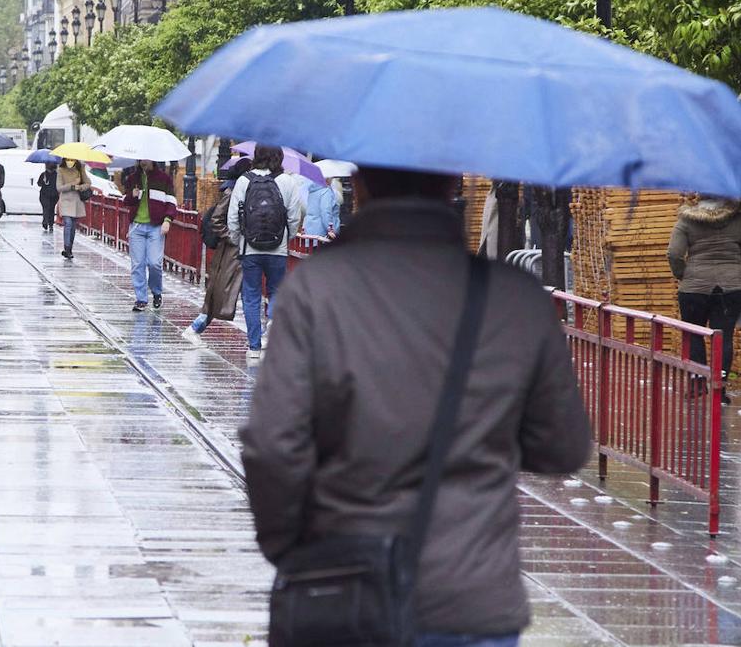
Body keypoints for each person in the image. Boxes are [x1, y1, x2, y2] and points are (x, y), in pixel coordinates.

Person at [240, 167, 591, 647]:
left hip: (346, 587)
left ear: (360, 186)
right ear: (452, 185)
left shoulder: (317, 290)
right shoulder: (516, 299)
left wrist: (292, 549)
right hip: (471, 596)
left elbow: (272, 445)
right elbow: (563, 446)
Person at [667, 196, 741, 403]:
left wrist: (683, 274)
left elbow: (674, 253)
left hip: (694, 288)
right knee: (724, 337)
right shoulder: (740, 221)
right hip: (732, 287)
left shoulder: (686, 221)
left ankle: (697, 384)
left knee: (694, 333)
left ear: (699, 196)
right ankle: (720, 389)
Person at [226, 145, 304, 359]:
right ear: (279, 157)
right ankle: (272, 318)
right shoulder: (288, 182)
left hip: (249, 248)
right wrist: (286, 239)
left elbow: (233, 218)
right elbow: (295, 217)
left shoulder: (244, 181)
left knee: (251, 295)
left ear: (256, 156)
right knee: (277, 291)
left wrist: (238, 240)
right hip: (277, 249)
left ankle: (253, 346)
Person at [183, 159, 249, 343]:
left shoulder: (238, 190)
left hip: (238, 250)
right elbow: (217, 219)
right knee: (220, 294)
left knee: (225, 293)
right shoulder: (234, 192)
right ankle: (197, 326)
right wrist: (232, 237)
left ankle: (197, 326)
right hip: (232, 251)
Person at [122, 160, 177, 311]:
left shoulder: (164, 179)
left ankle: (157, 291)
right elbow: (125, 201)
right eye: (140, 159)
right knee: (137, 264)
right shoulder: (133, 178)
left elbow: (171, 202)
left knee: (154, 263)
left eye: (145, 159)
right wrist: (132, 196)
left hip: (156, 227)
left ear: (152, 159)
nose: (142, 162)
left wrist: (167, 220)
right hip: (137, 227)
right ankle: (141, 299)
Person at [56, 157, 90, 259]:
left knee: (73, 226)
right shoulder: (60, 170)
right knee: (68, 223)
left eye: (72, 160)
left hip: (77, 201)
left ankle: (69, 248)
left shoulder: (80, 169)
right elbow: (59, 187)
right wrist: (72, 185)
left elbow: (88, 183)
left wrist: (80, 187)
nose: (70, 162)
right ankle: (66, 248)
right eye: (68, 159)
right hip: (66, 201)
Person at [37, 162, 59, 232]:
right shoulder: (44, 175)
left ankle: (49, 223)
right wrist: (43, 181)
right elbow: (39, 184)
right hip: (46, 195)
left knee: (50, 208)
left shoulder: (56, 175)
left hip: (52, 195)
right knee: (47, 208)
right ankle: (47, 222)